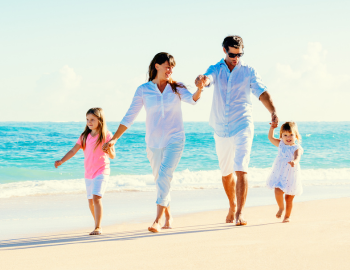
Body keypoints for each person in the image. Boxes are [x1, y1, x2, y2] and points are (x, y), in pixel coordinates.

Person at [102, 52, 202, 233]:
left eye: (172, 67)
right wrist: (115, 138)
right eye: (167, 66)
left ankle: (157, 220)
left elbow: (193, 100)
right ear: (157, 66)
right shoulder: (143, 90)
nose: (170, 70)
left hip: (175, 139)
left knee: (164, 176)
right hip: (153, 142)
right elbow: (130, 116)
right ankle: (169, 216)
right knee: (160, 180)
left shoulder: (177, 87)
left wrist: (200, 89)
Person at [195, 35, 279, 225]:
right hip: (220, 128)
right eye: (233, 54)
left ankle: (240, 212)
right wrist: (202, 80)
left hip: (243, 124)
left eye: (239, 54)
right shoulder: (216, 68)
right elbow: (207, 79)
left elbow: (262, 92)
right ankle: (232, 205)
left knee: (241, 168)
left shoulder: (249, 71)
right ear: (224, 50)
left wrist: (273, 111)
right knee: (226, 173)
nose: (236, 58)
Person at [54, 108, 115, 235]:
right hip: (88, 173)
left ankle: (98, 227)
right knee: (90, 201)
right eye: (87, 119)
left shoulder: (106, 135)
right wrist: (61, 161)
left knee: (96, 197)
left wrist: (108, 149)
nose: (89, 122)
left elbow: (113, 156)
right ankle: (97, 224)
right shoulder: (84, 136)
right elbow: (73, 151)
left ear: (100, 120)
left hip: (102, 170)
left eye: (92, 119)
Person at [266, 121, 303, 223]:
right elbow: (270, 138)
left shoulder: (297, 148)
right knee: (277, 191)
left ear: (296, 136)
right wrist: (272, 128)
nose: (288, 137)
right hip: (280, 174)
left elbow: (297, 156)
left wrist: (294, 161)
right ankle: (281, 208)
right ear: (281, 136)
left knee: (289, 198)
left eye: (291, 134)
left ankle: (287, 216)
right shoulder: (281, 144)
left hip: (291, 175)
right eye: (285, 135)